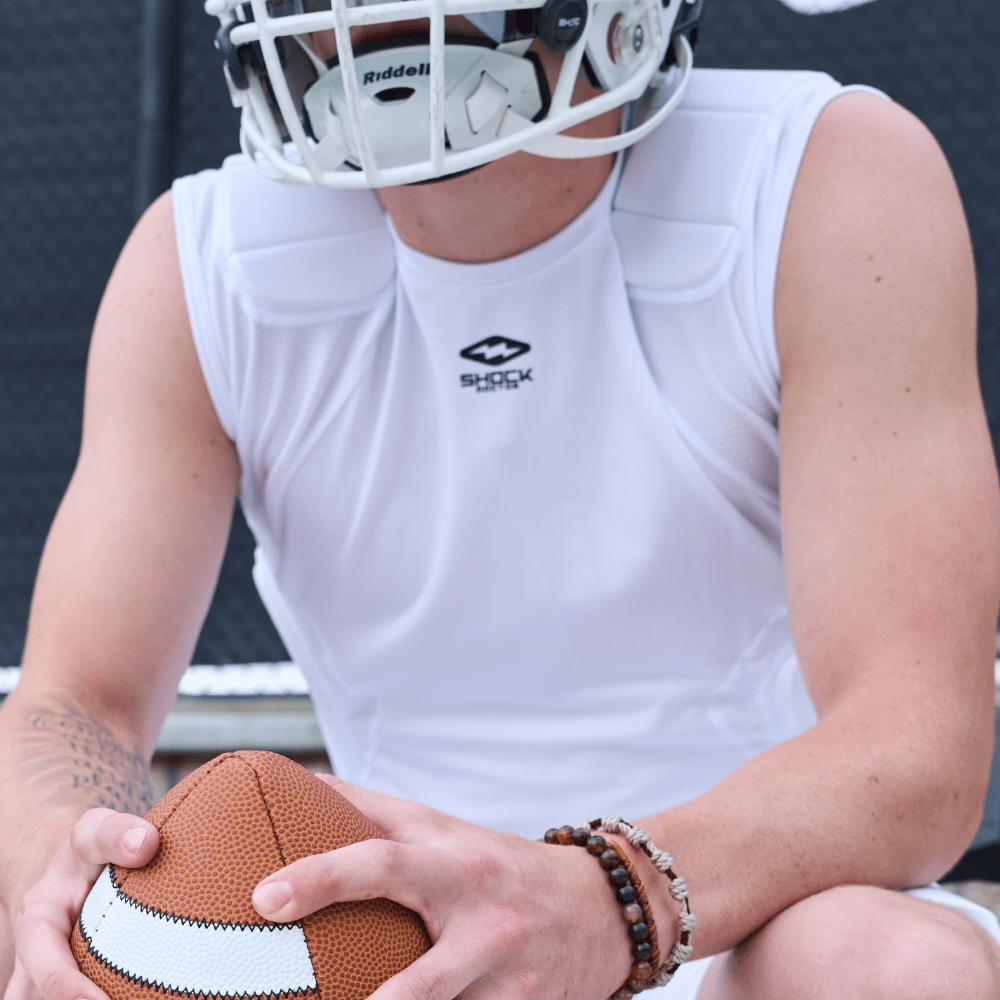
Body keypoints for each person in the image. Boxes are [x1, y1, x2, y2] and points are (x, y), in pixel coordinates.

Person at [2, 0, 1000, 997]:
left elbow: (913, 745)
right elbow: (76, 700)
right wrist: (66, 870)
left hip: (737, 915)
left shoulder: (817, 176)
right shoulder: (205, 256)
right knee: (36, 932)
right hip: (395, 944)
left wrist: (605, 894)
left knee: (888, 967)